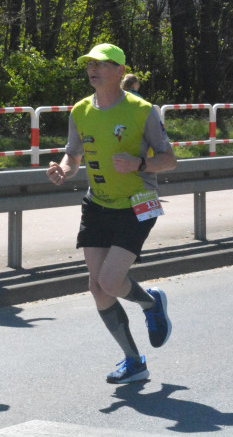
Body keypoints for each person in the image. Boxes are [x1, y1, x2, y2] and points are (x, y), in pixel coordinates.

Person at [46, 43, 175, 384]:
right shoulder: (80, 111)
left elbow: (169, 158)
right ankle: (134, 361)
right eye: (89, 64)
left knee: (109, 280)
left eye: (102, 64)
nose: (93, 69)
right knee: (99, 287)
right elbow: (73, 156)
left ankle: (150, 303)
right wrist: (63, 169)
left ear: (119, 71)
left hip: (138, 203)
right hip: (98, 203)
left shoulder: (142, 110)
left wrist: (140, 163)